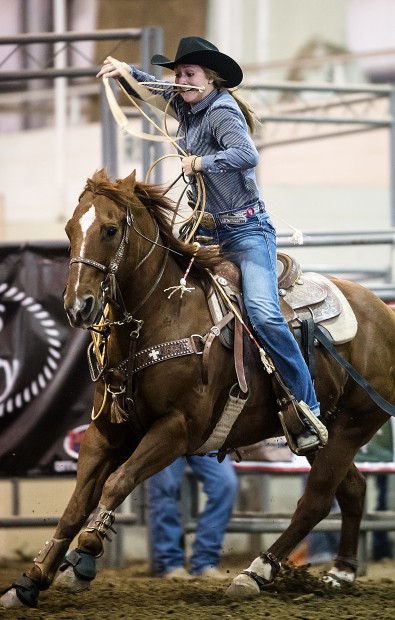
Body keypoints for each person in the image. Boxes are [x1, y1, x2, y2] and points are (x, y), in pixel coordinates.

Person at [97, 36, 323, 455]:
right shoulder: (184, 100)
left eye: (189, 74)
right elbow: (156, 88)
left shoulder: (221, 110)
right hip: (205, 232)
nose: (180, 80)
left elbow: (246, 154)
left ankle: (307, 405)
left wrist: (201, 162)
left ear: (210, 78)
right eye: (179, 74)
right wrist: (125, 71)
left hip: (246, 233)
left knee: (264, 314)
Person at [146, 455, 238, 579]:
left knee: (226, 484)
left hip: (204, 438)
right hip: (166, 437)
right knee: (165, 488)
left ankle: (205, 562)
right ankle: (169, 563)